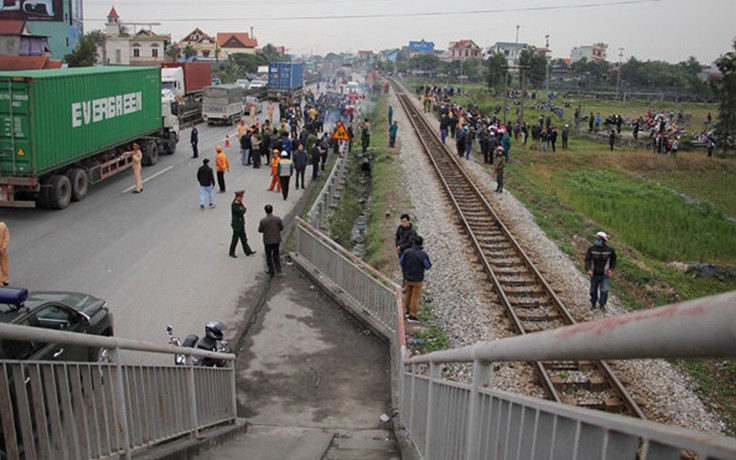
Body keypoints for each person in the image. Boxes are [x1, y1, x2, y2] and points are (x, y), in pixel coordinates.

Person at [400, 235, 432, 323]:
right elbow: (428, 266)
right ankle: (412, 315)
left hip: (407, 278)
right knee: (415, 297)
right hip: (418, 279)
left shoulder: (407, 252)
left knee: (407, 295)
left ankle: (406, 311)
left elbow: (401, 262)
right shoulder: (423, 254)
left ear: (413, 242)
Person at [585, 231, 617, 311]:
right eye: (596, 239)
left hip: (604, 274)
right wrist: (589, 269)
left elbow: (614, 259)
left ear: (603, 240)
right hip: (594, 273)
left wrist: (611, 269)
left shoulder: (609, 250)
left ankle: (602, 304)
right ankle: (593, 303)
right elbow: (587, 260)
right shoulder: (591, 249)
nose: (596, 240)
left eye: (598, 239)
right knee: (593, 290)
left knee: (604, 290)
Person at [258, 204, 284, 276]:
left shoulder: (263, 221)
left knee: (268, 255)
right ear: (272, 210)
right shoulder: (277, 219)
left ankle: (271, 269)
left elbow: (260, 230)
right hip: (276, 240)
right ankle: (278, 268)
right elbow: (282, 227)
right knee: (276, 254)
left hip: (268, 241)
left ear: (265, 211)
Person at [229, 191, 256, 258]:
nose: (241, 198)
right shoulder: (234, 204)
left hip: (241, 223)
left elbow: (243, 208)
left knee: (244, 238)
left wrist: (243, 209)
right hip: (236, 224)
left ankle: (248, 251)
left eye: (242, 197)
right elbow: (241, 211)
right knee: (235, 239)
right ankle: (231, 252)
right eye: (240, 197)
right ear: (237, 197)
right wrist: (243, 209)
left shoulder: (240, 203)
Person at [0, 220, 8, 286]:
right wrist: (3, 247)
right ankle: (5, 279)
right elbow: (6, 237)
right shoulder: (3, 226)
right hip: (3, 250)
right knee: (4, 265)